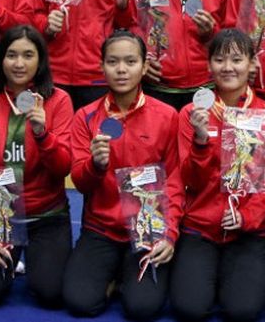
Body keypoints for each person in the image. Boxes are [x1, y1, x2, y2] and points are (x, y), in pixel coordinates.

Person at [171, 28, 265, 322]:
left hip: (247, 232)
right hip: (200, 227)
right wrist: (200, 142)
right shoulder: (190, 113)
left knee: (243, 311)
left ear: (252, 64)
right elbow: (189, 181)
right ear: (209, 65)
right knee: (189, 309)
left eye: (237, 59)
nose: (227, 67)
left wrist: (247, 217)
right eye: (220, 60)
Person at [63, 29, 183, 320]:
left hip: (147, 228)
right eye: (113, 62)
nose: (121, 69)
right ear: (102, 66)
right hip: (100, 229)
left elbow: (176, 181)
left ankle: (129, 277)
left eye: (130, 62)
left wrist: (169, 233)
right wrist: (95, 165)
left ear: (144, 67)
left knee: (142, 309)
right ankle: (115, 275)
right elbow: (79, 181)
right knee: (79, 303)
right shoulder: (86, 117)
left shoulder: (167, 116)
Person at [0, 25, 73, 308]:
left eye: (28, 55)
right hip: (0, 215)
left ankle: (36, 259)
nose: (19, 63)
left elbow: (62, 169)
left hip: (46, 216)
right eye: (11, 55)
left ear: (41, 60)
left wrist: (41, 133)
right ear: (0, 59)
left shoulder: (58, 101)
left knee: (51, 294)